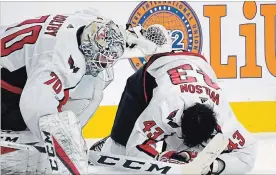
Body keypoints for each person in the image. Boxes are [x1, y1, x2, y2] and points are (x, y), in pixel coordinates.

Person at [98, 50, 257, 174]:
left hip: (197, 64)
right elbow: (136, 147)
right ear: (178, 122)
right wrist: (160, 160)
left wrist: (212, 166)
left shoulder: (224, 120)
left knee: (188, 160)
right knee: (120, 151)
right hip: (155, 71)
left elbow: (249, 154)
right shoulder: (164, 108)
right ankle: (111, 144)